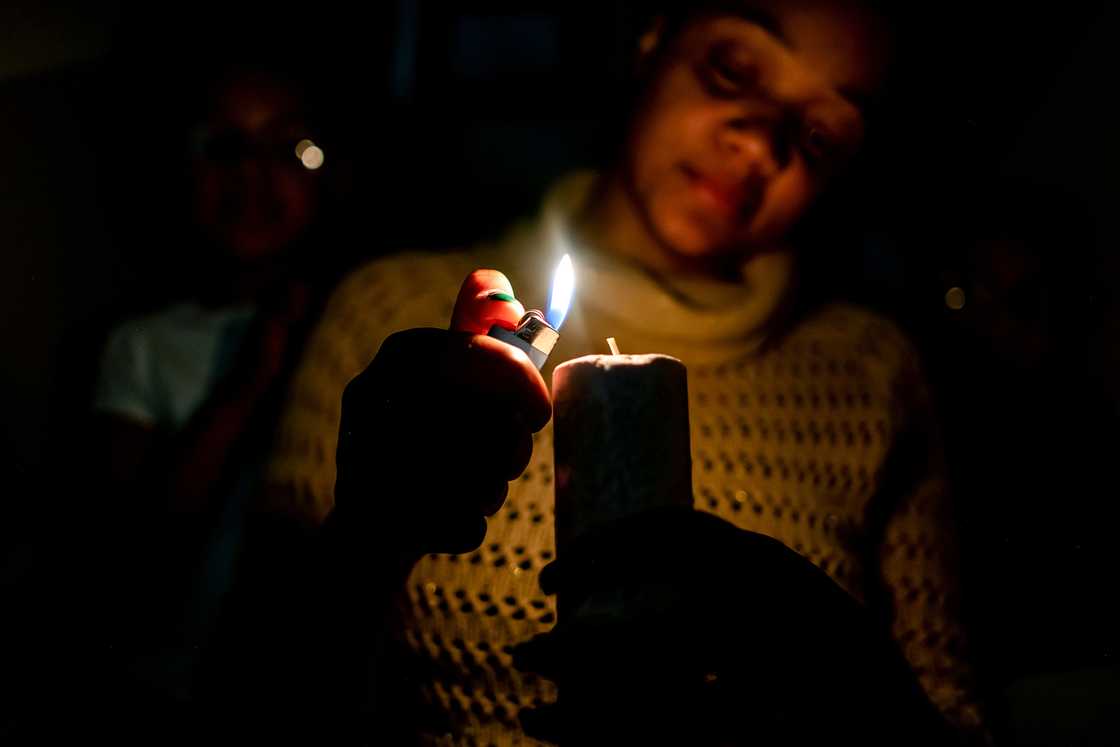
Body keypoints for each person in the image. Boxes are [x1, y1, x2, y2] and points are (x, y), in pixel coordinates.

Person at [227, 1, 989, 743]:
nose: (761, 144)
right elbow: (254, 685)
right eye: (733, 70)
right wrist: (371, 540)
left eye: (820, 134)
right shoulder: (385, 308)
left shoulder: (872, 371)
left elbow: (952, 716)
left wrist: (845, 688)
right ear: (653, 35)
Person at [89, 66, 332, 712]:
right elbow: (128, 560)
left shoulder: (365, 320)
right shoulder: (141, 345)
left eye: (290, 149)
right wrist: (251, 378)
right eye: (225, 148)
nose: (253, 177)